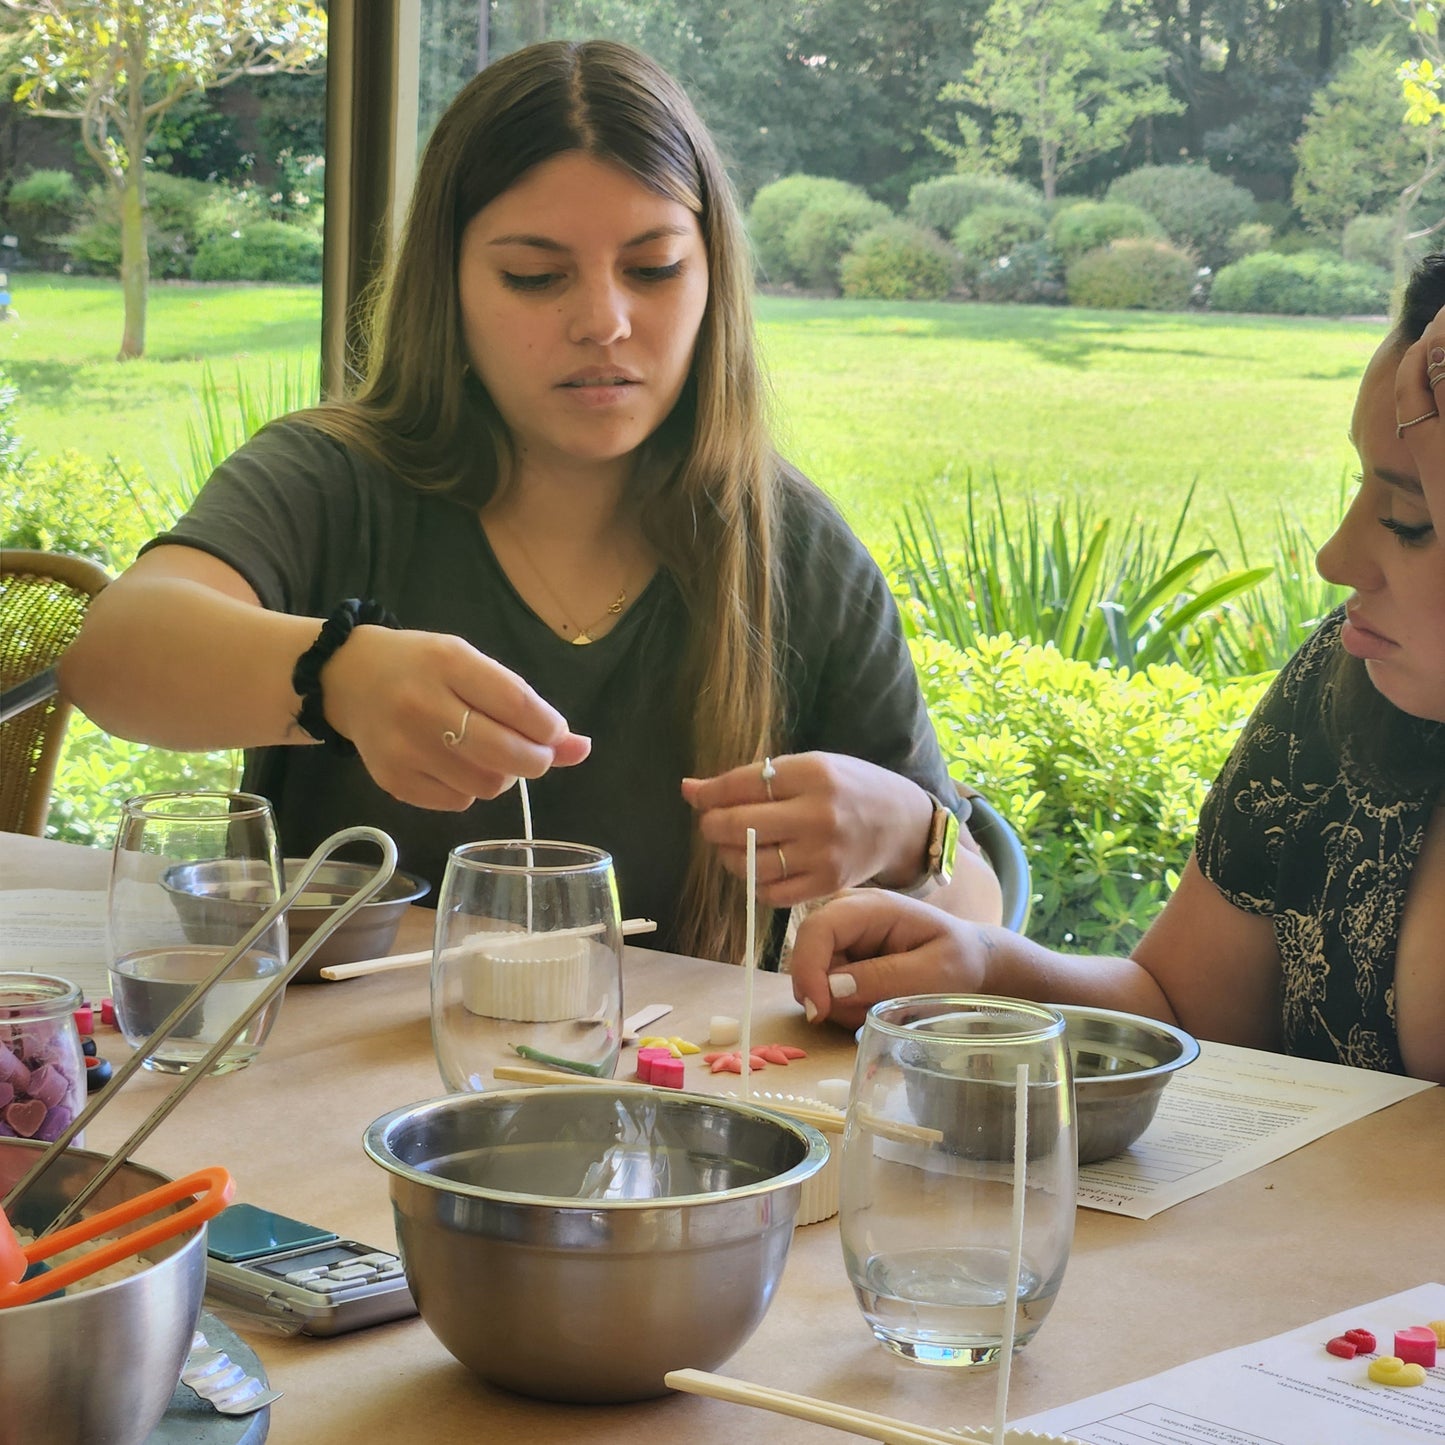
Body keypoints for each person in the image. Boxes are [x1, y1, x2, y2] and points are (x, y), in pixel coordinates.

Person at [60, 39, 1001, 967]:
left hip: (658, 1110)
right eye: (534, 276)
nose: (602, 321)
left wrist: (915, 837)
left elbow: (979, 923)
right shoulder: (335, 479)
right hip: (319, 1096)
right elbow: (112, 655)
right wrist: (336, 674)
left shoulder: (788, 545)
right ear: (450, 288)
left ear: (714, 280)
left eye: (654, 268)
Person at [790, 254, 1445, 1085]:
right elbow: (1179, 1007)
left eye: (1409, 518)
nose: (1335, 557)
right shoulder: (1344, 679)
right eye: (1359, 490)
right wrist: (982, 969)